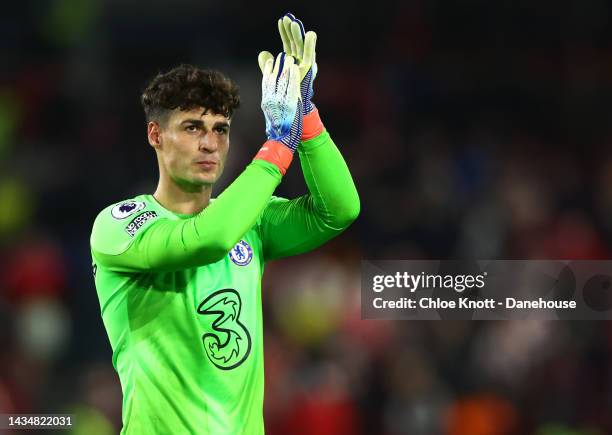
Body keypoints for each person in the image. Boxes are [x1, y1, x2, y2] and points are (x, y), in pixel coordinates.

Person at [90, 13, 359, 435]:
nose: (210, 143)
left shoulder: (249, 219)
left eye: (221, 129)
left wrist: (304, 115)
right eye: (192, 127)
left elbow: (339, 209)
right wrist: (278, 144)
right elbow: (209, 239)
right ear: (155, 136)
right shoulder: (119, 226)